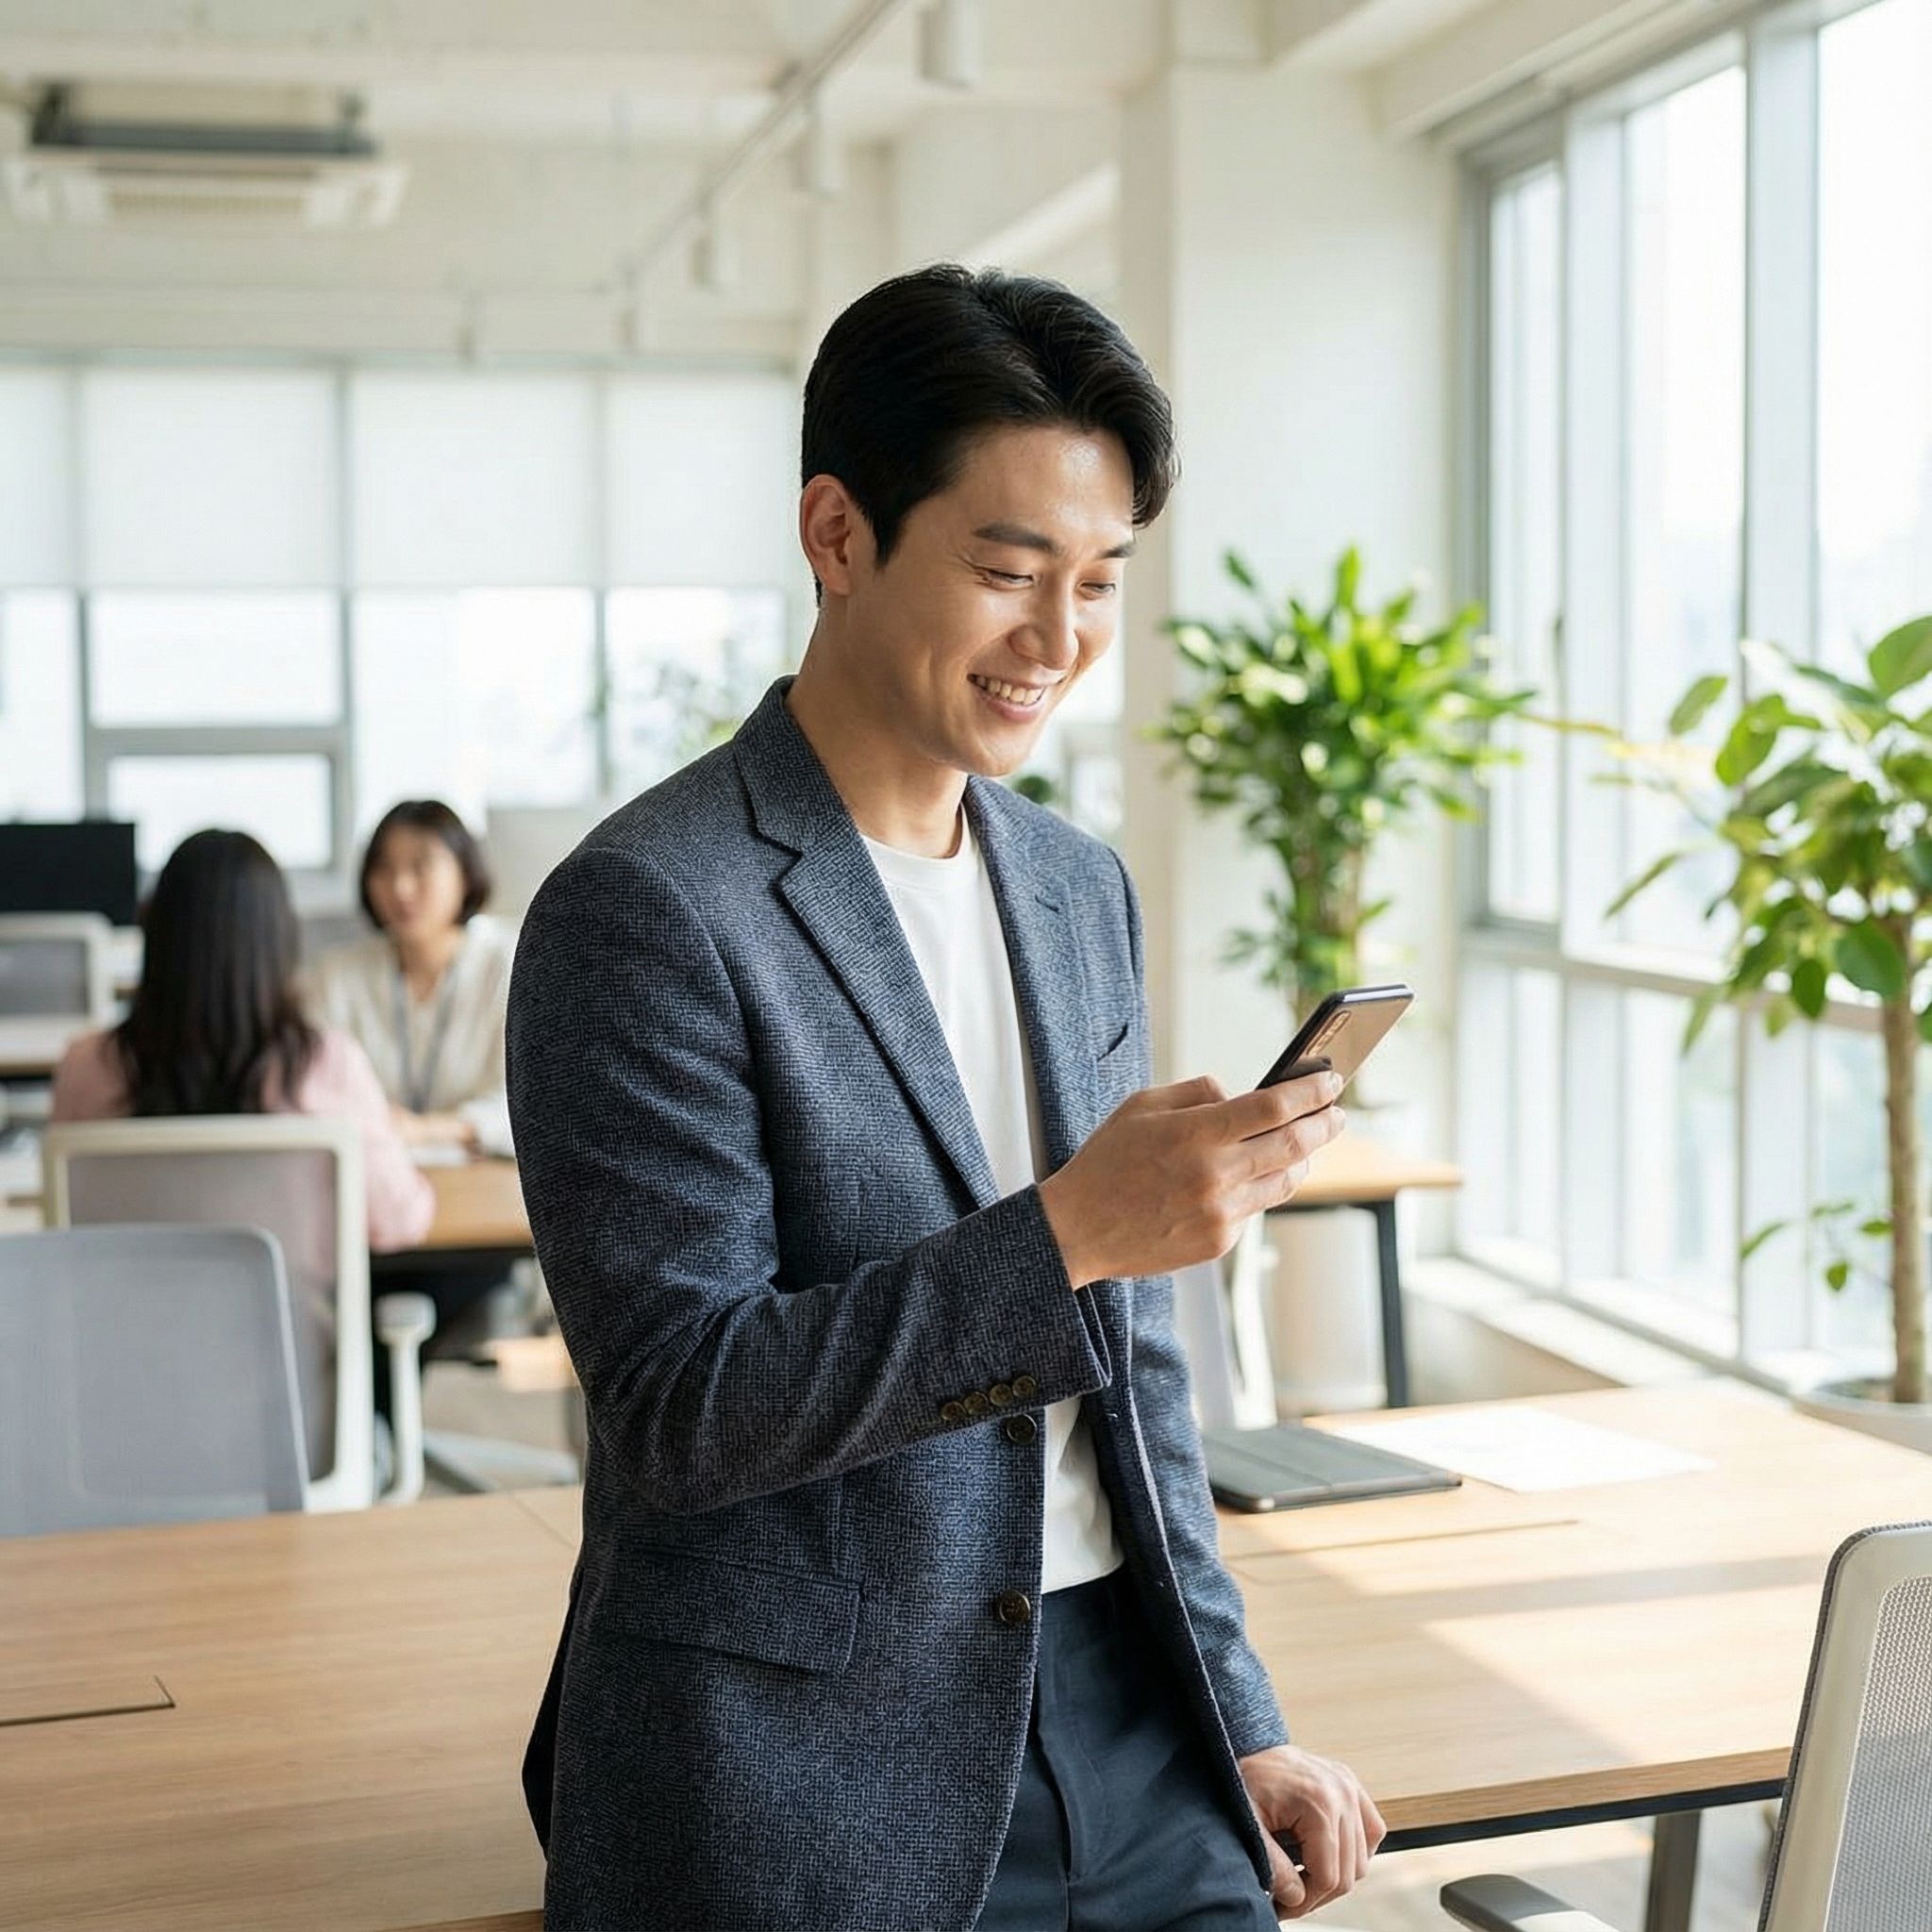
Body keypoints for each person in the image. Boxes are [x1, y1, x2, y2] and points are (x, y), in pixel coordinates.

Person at [508, 265, 1385, 1932]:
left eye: (1100, 579)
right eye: (1003, 570)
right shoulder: (644, 908)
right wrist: (1063, 1235)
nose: (1056, 638)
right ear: (836, 534)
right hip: (795, 1766)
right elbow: (684, 1408)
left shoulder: (1074, 889)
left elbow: (1136, 1381)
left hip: (1127, 1714)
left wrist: (1235, 1716)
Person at [52, 828, 435, 1469]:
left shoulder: (85, 1068)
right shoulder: (324, 1066)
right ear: (278, 939)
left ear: (156, 933)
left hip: (119, 1432)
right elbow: (402, 1221)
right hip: (299, 1439)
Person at [310, 800, 515, 1160]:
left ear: (465, 873)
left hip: (485, 1182)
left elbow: (528, 1104)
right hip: (370, 1181)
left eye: (421, 867)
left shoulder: (509, 964)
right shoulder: (335, 977)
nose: (401, 888)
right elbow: (313, 1096)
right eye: (384, 870)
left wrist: (425, 1130)